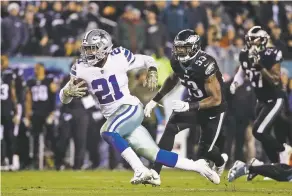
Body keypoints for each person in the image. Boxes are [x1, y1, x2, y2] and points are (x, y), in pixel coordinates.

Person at [59, 29, 220, 185]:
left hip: (130, 108)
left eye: (92, 49)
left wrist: (152, 69)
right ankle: (199, 166)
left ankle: (140, 170)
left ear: (104, 48)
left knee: (107, 131)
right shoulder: (80, 68)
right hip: (116, 118)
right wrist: (66, 92)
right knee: (155, 154)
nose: (87, 53)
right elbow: (64, 99)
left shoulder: (119, 56)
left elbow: (147, 59)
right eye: (86, 48)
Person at [144, 29, 228, 186]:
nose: (180, 51)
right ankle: (155, 172)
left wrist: (189, 105)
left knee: (205, 152)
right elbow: (172, 79)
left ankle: (221, 161)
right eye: (179, 47)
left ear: (195, 47)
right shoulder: (176, 60)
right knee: (170, 127)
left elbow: (216, 99)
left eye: (185, 47)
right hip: (194, 104)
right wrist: (155, 100)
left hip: (213, 110)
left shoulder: (206, 63)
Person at [230, 26, 292, 168]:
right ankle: (277, 166)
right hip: (261, 101)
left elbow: (276, 79)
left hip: (275, 98)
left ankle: (284, 150)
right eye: (249, 40)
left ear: (263, 41)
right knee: (262, 136)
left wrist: (261, 66)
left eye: (255, 41)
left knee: (259, 131)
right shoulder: (245, 55)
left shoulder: (271, 53)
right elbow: (242, 71)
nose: (251, 44)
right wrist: (235, 83)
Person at [24, 63, 58, 169]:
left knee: (50, 137)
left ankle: (52, 159)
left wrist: (52, 113)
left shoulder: (49, 80)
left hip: (47, 113)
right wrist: (27, 115)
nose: (36, 70)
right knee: (34, 138)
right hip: (35, 113)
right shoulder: (31, 82)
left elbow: (54, 96)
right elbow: (28, 99)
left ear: (43, 69)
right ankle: (35, 161)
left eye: (38, 68)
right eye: (35, 69)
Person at [1, 55, 19, 170]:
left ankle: (11, 160)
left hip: (7, 109)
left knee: (9, 136)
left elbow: (13, 93)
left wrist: (16, 111)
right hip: (5, 109)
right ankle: (3, 160)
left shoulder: (8, 75)